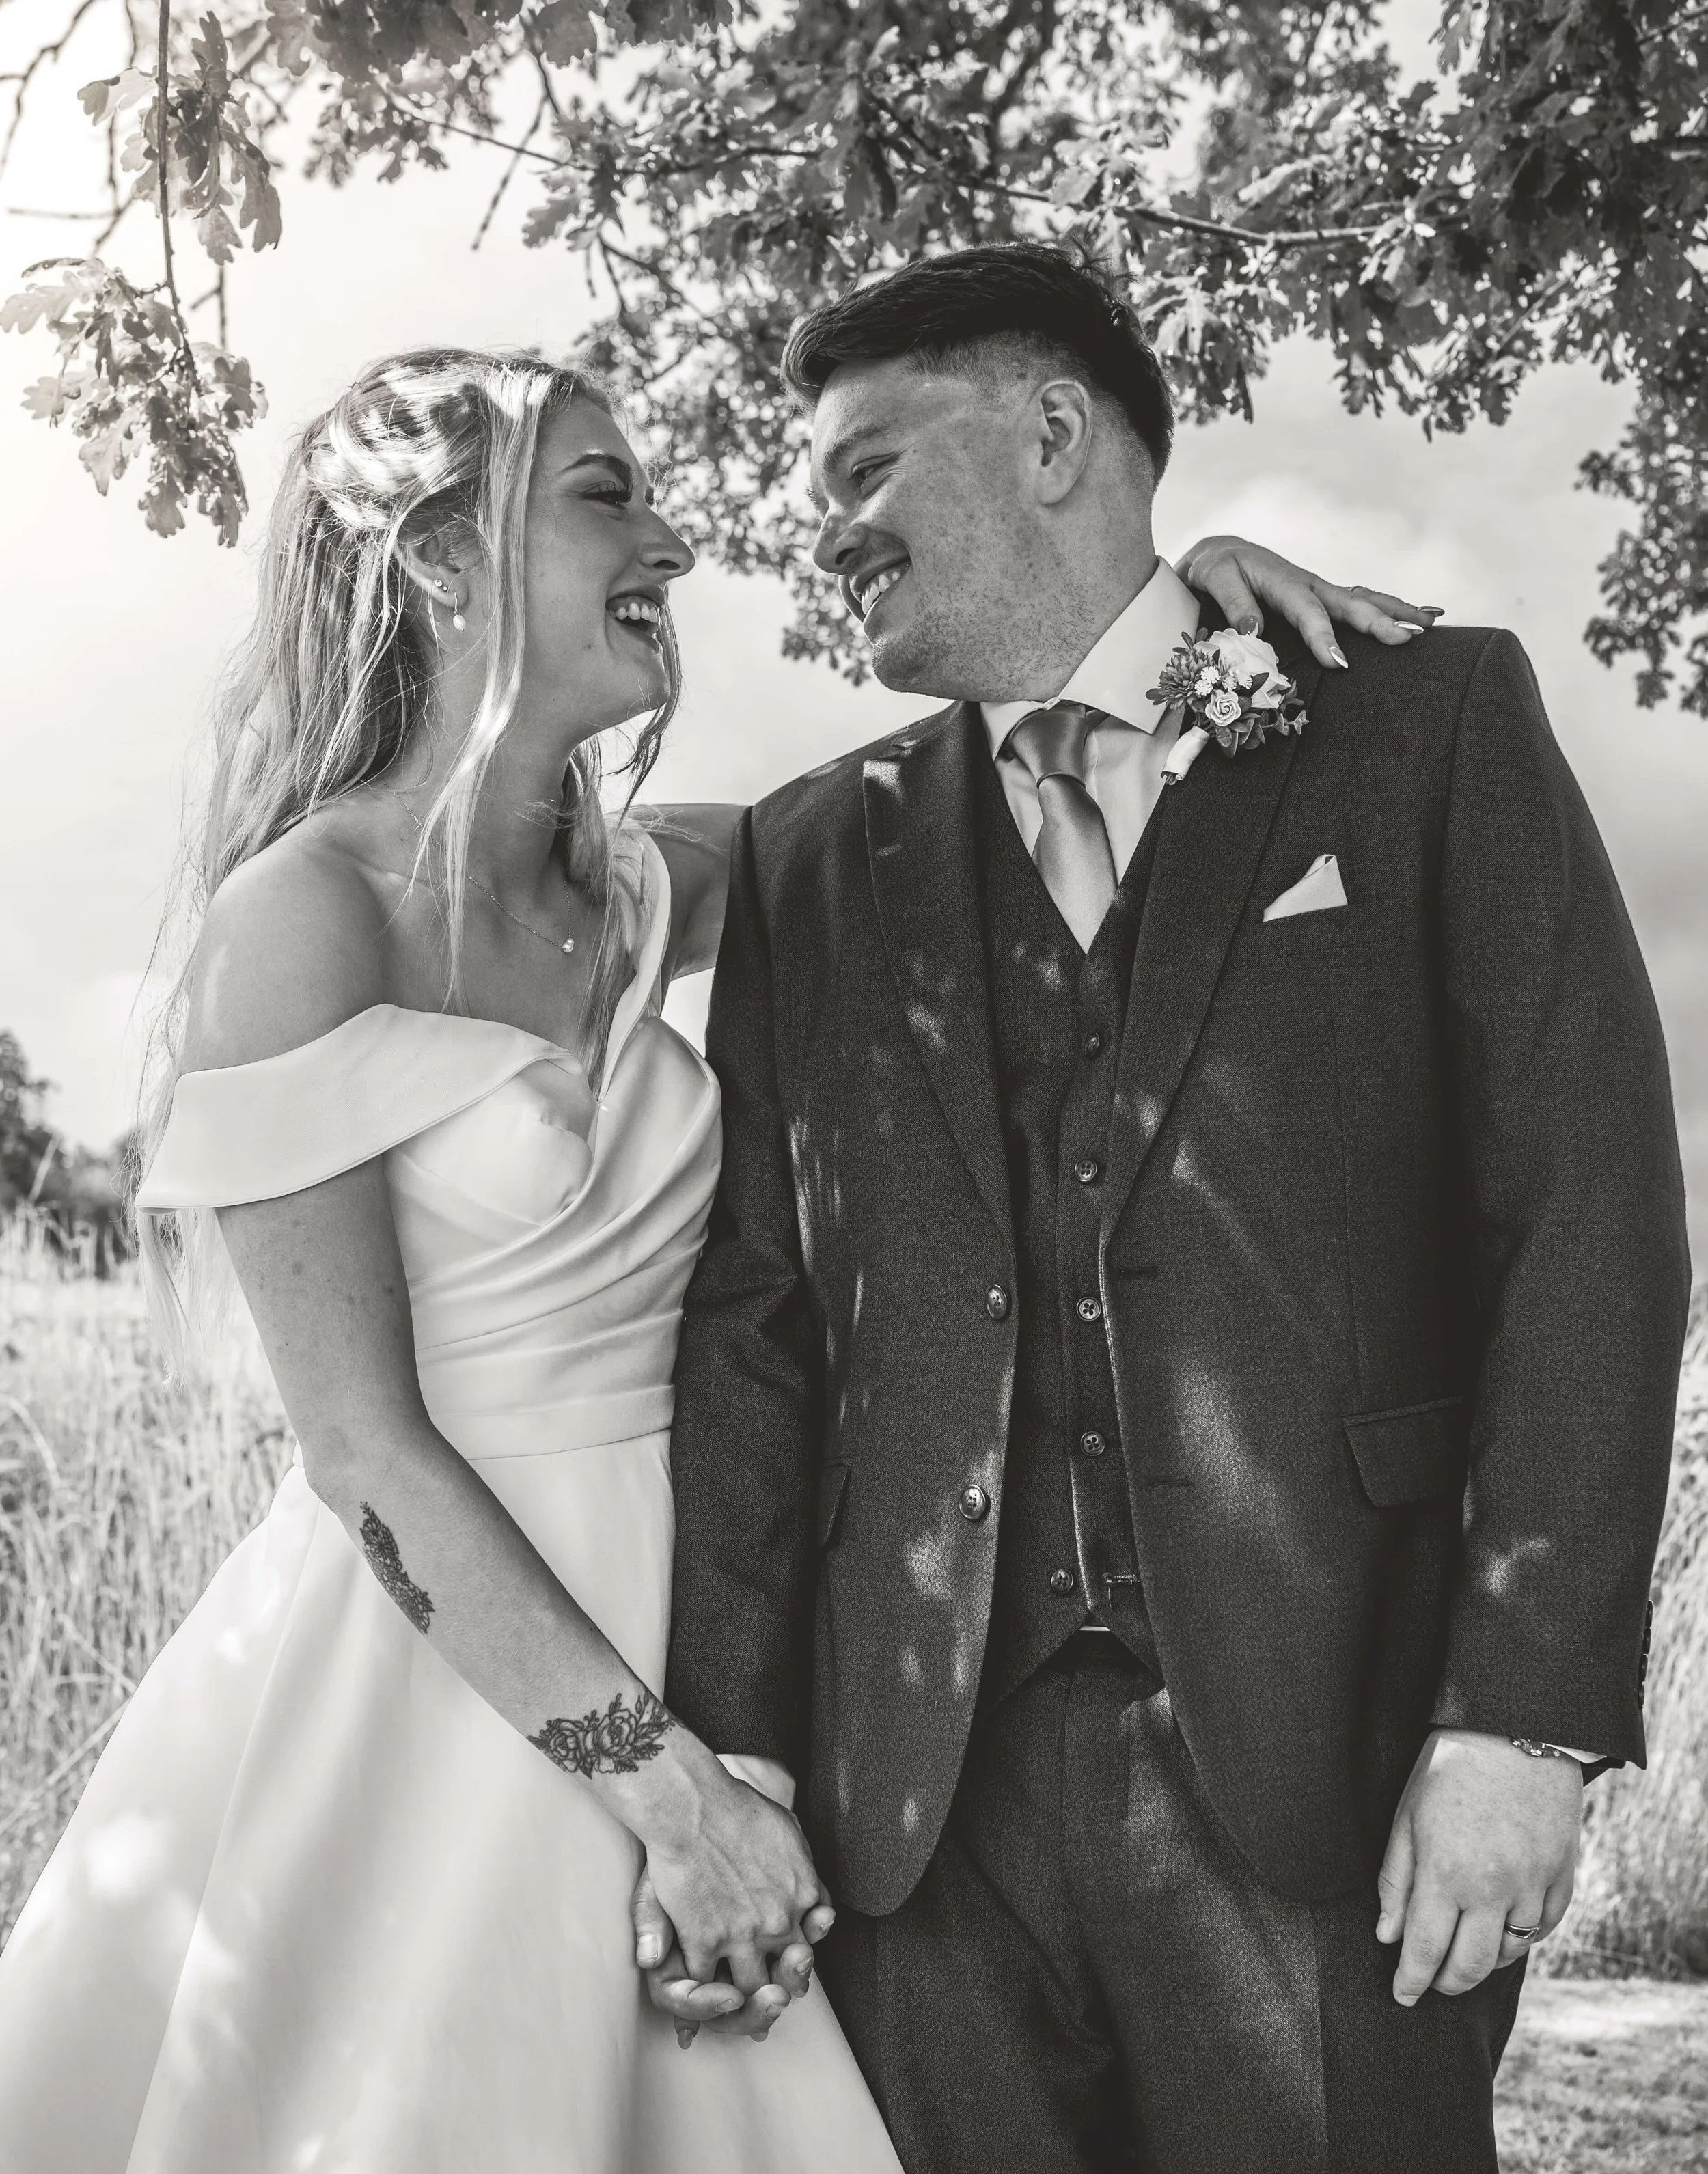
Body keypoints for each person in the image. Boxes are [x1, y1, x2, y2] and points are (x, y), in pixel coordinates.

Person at [0, 341, 1404, 2173]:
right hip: (441, 1680)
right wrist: (669, 1796)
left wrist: (1158, 613)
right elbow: (358, 1448)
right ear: (439, 559)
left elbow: (969, 798)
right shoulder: (308, 915)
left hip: (719, 1634)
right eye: (604, 495)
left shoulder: (654, 890)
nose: (668, 536)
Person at [660, 243, 1691, 2173]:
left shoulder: (1420, 723)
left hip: (1341, 1772)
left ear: (1049, 433)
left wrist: (1523, 1722)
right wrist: (744, 1753)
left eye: (864, 471)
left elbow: (1591, 1218)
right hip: (918, 1829)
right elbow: (754, 1332)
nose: (831, 540)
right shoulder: (812, 857)